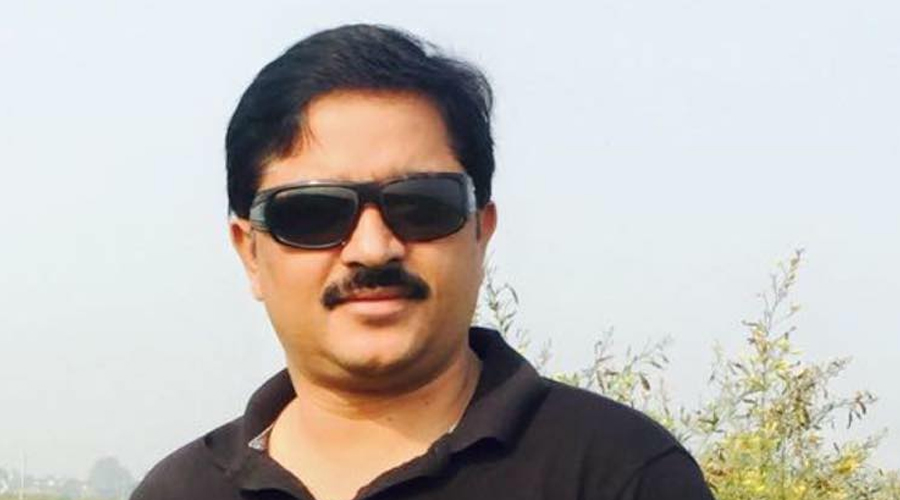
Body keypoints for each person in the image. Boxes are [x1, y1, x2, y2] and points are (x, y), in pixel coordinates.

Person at [131, 24, 715, 500]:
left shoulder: (619, 474)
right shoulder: (181, 491)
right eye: (313, 214)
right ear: (250, 252)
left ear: (481, 232)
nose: (372, 248)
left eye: (420, 205)